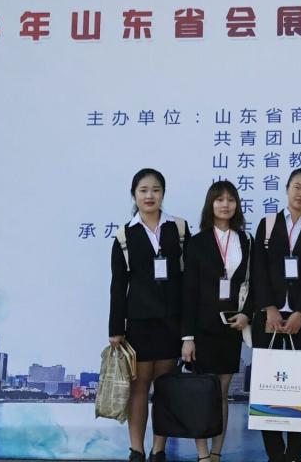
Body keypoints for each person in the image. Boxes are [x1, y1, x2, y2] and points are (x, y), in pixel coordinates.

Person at [108, 168, 190, 462]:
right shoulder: (124, 235)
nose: (149, 195)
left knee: (165, 388)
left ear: (163, 194)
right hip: (139, 322)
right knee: (139, 386)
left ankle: (159, 449)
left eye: (156, 189)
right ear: (134, 195)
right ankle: (136, 450)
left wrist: (188, 329)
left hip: (172, 320)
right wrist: (116, 328)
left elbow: (189, 280)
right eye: (143, 190)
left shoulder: (178, 229)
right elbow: (118, 285)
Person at [252, 167, 301, 462]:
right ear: (287, 188)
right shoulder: (268, 224)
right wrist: (269, 307)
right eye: (297, 187)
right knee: (268, 386)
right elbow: (258, 269)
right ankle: (275, 454)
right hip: (268, 318)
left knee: (299, 388)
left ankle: (295, 453)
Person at [181, 180, 254, 462]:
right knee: (203, 393)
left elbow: (254, 284)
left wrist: (247, 314)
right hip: (202, 330)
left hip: (231, 328)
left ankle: (216, 453)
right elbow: (188, 292)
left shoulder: (246, 241)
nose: (225, 204)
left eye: (231, 200)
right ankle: (202, 455)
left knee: (222, 393)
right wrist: (187, 337)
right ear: (210, 204)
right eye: (219, 199)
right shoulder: (197, 242)